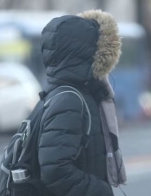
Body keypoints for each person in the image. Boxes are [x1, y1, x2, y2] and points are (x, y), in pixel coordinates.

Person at [38, 10, 126, 196]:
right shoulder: (70, 101)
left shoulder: (62, 94)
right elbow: (56, 170)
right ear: (92, 53)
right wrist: (102, 191)